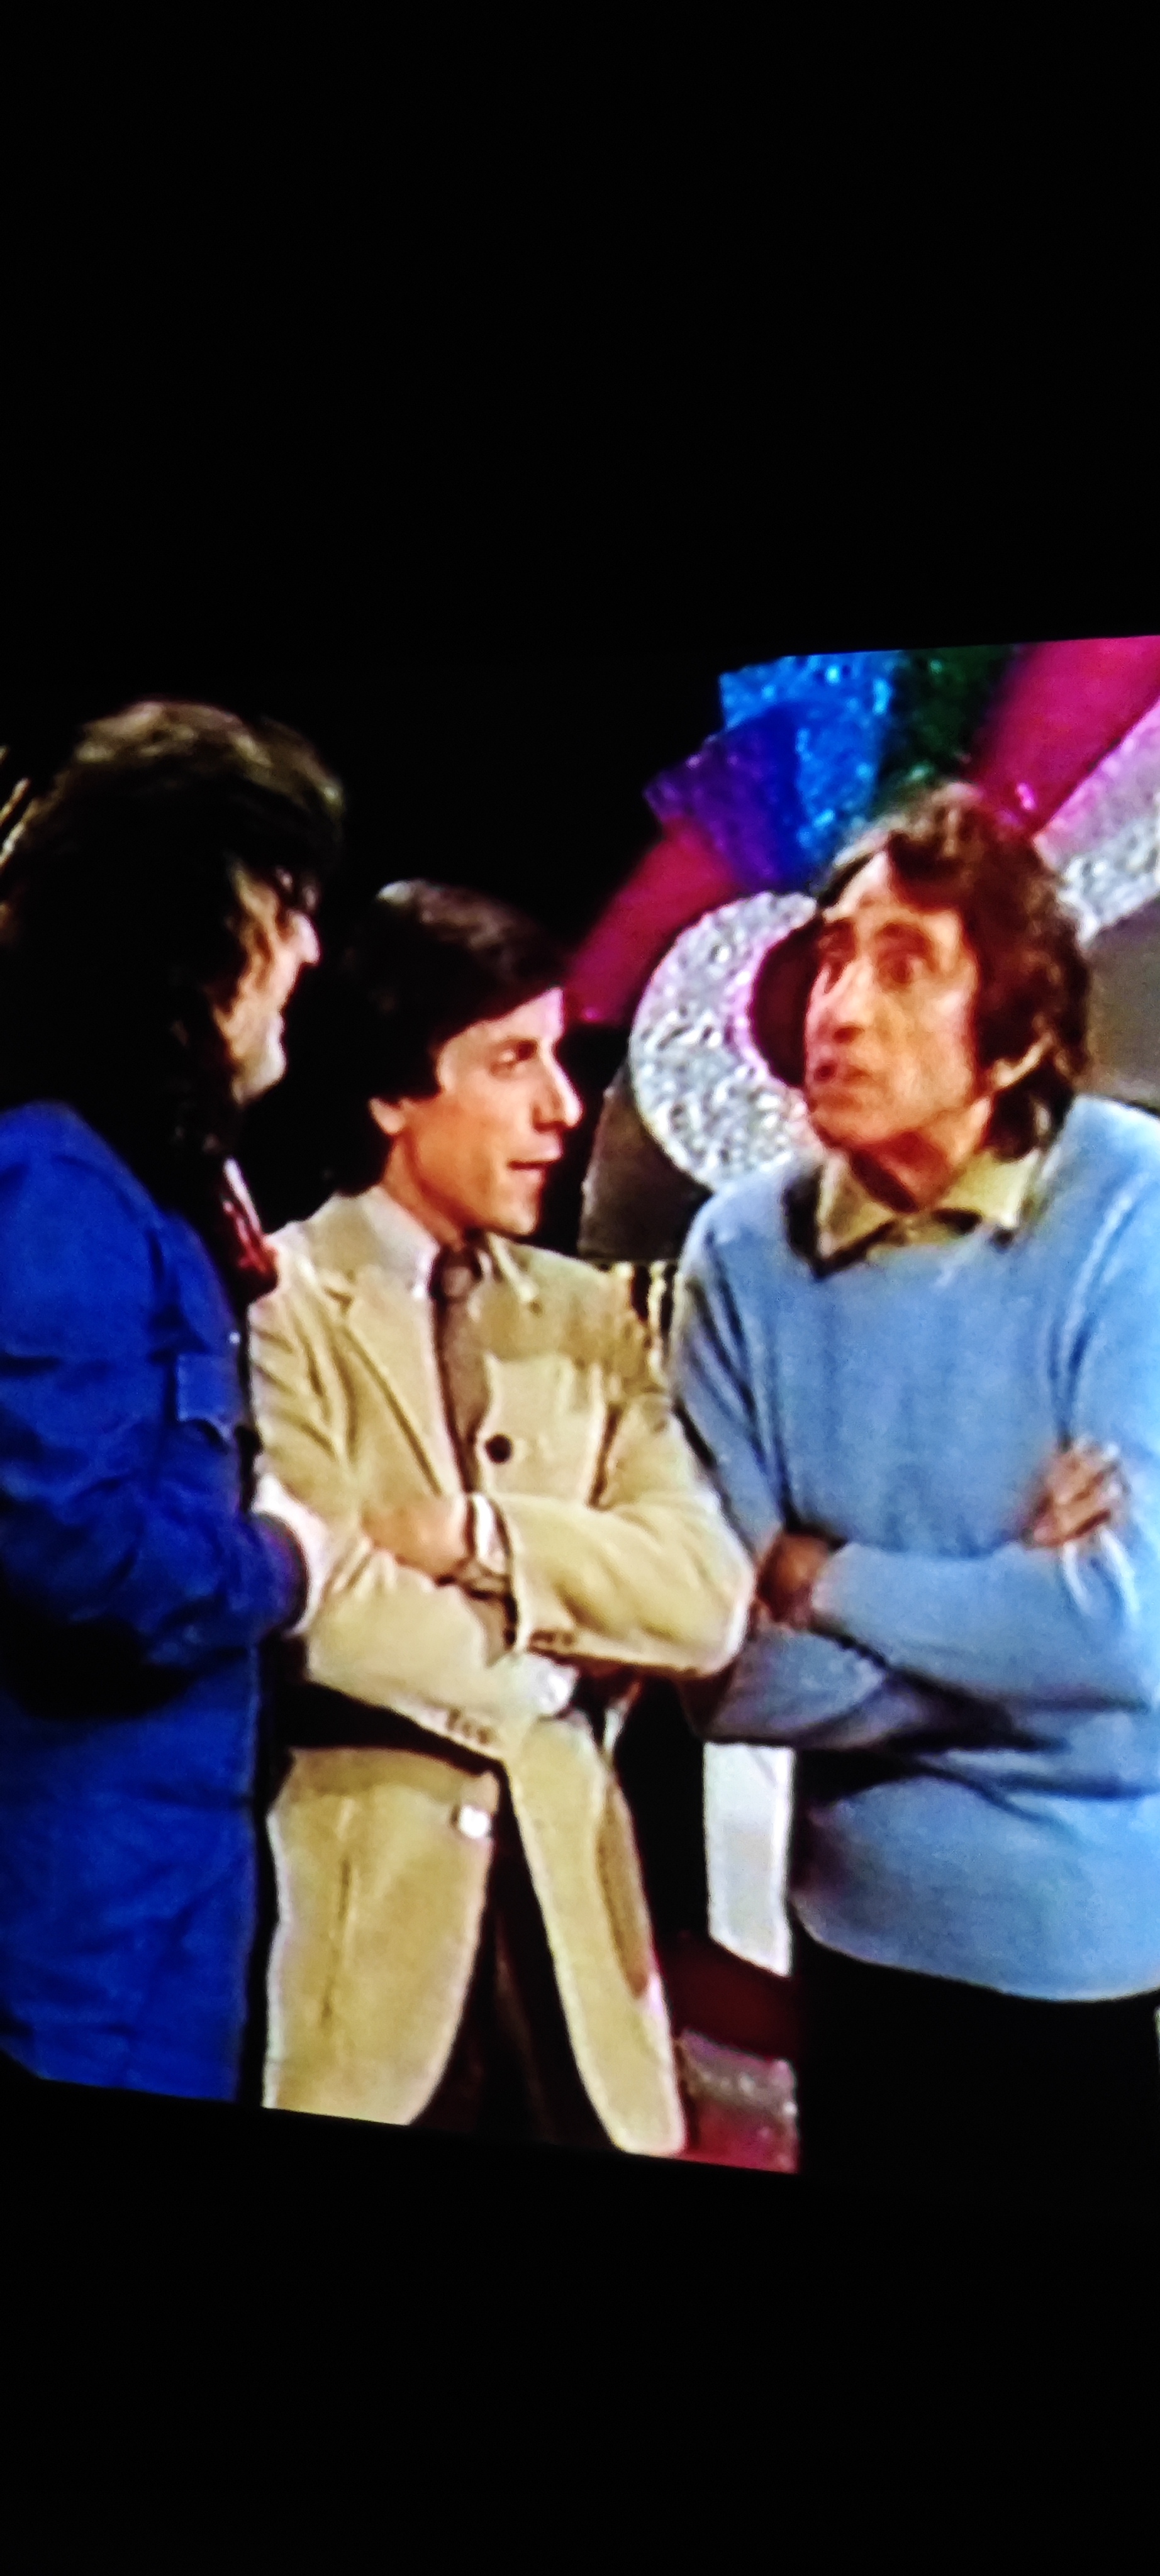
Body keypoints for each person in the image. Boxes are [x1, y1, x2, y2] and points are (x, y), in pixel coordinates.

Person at [670, 780, 1160, 2201]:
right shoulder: (740, 1256)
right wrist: (1011, 1621)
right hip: (849, 1950)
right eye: (833, 957)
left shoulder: (1132, 1211)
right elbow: (726, 1676)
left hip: (1084, 1957)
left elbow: (1121, 1637)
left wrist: (825, 1577)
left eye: (904, 967)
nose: (838, 1010)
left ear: (1013, 1035)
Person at [247, 881, 752, 2153]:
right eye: (512, 1061)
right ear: (394, 1094)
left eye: (559, 1058)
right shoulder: (279, 1304)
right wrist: (544, 1676)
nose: (562, 1109)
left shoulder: (592, 1319)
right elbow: (327, 1607)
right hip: (372, 1956)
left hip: (579, 1948)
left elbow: (701, 1597)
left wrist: (481, 1536)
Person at [0, 701, 343, 2101]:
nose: (309, 951)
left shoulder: (141, 1189)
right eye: (288, 904)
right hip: (72, 1961)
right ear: (193, 922)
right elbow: (70, 1549)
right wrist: (284, 1559)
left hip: (154, 1930)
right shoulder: (55, 1187)